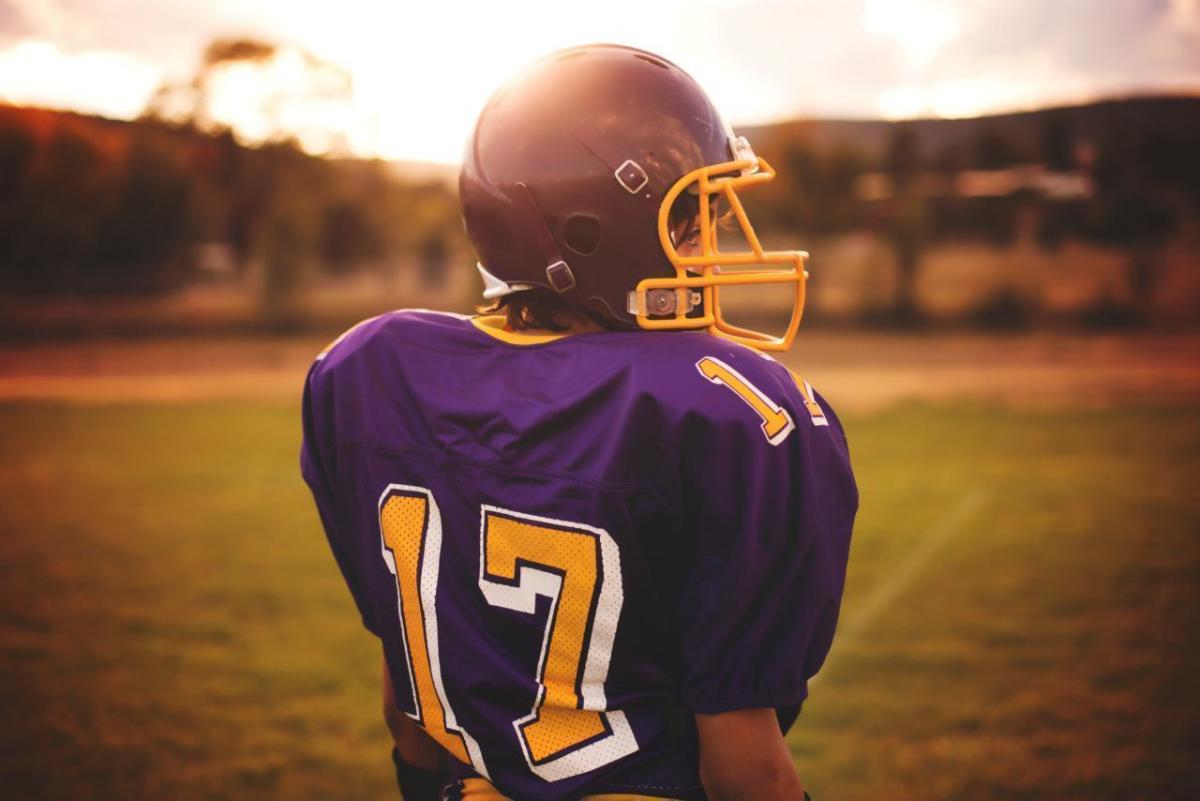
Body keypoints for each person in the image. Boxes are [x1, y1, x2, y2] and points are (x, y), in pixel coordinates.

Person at [301, 44, 857, 801]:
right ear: (595, 231)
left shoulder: (372, 370)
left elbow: (408, 692)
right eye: (690, 219)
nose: (713, 244)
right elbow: (742, 762)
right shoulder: (731, 412)